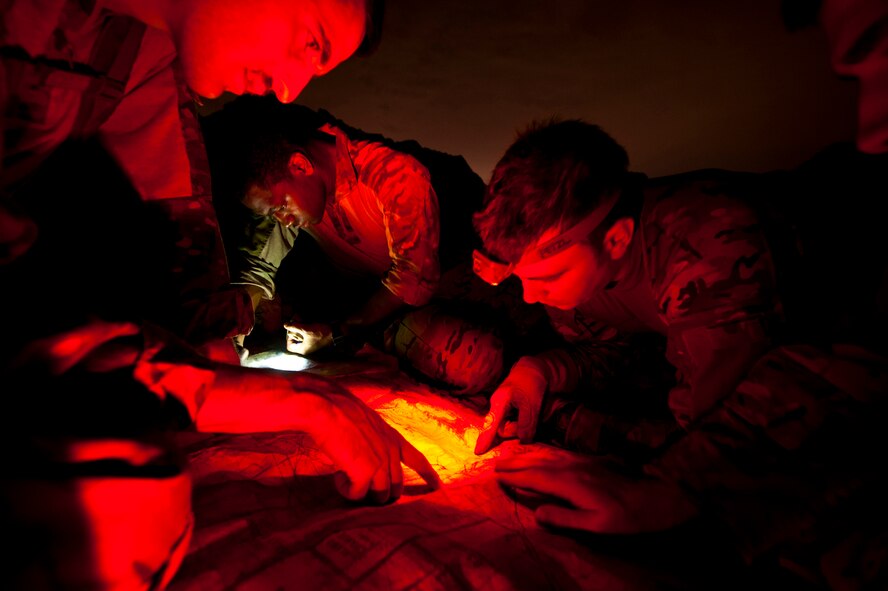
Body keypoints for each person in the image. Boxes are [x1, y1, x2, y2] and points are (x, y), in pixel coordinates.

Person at [0, 1, 446, 588]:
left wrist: (245, 382)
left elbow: (184, 267)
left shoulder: (147, 61)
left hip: (407, 302)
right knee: (111, 512)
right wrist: (247, 381)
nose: (287, 92)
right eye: (311, 41)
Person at [471, 118, 888, 588]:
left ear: (616, 239)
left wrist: (655, 490)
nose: (529, 296)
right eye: (522, 278)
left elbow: (715, 445)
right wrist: (541, 370)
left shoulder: (712, 245)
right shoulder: (578, 276)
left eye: (545, 278)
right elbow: (621, 355)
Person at [202, 95, 523, 396]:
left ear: (300, 166)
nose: (282, 219)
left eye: (280, 207)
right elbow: (259, 266)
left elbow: (414, 280)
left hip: (444, 286)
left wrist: (338, 331)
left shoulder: (393, 175)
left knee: (483, 356)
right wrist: (234, 324)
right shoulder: (303, 201)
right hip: (375, 304)